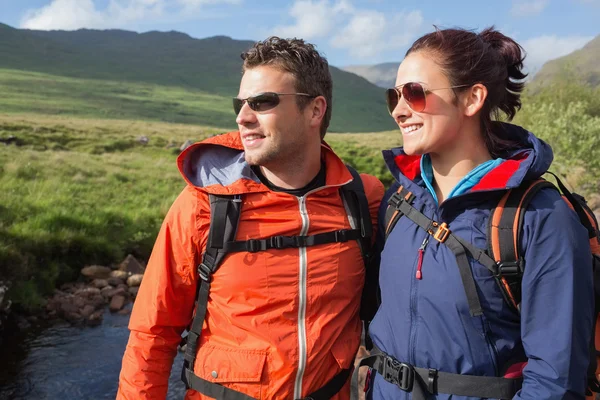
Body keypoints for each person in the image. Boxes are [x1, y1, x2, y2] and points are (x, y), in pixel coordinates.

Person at [117, 36, 384, 400]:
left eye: (262, 102)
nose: (243, 117)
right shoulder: (204, 204)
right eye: (240, 103)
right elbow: (153, 331)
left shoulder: (363, 198)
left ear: (315, 111)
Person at [362, 27, 594, 399]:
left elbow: (556, 379)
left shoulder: (539, 215)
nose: (398, 110)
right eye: (394, 96)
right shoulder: (399, 201)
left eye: (415, 93)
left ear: (472, 99)